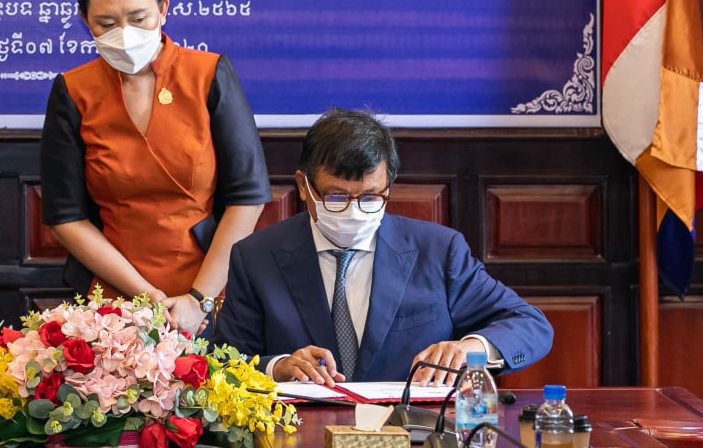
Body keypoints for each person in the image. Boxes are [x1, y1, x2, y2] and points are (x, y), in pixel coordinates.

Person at [215, 108, 553, 386]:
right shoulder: (256, 257)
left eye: (371, 197)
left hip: (413, 437)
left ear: (388, 186)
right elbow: (223, 363)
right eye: (336, 197)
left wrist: (472, 348)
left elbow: (529, 325)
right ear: (303, 186)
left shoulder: (438, 250)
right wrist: (279, 367)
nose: (354, 210)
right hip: (300, 438)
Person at [40, 0, 272, 335]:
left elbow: (247, 198)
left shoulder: (208, 74)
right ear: (85, 23)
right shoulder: (73, 91)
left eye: (138, 18)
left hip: (212, 287)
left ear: (163, 9)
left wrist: (199, 299)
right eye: (106, 23)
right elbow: (66, 217)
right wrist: (147, 298)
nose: (125, 33)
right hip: (113, 292)